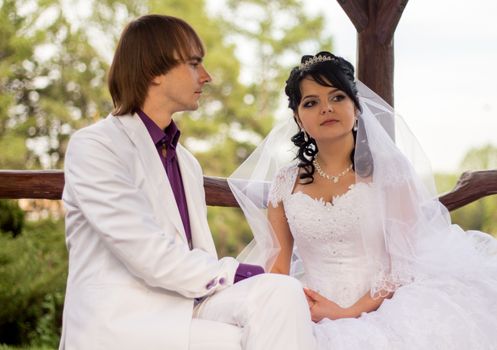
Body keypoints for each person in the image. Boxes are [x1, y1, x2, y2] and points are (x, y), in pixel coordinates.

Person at [59, 14, 316, 350]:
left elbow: (197, 254)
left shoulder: (187, 163)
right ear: (154, 71)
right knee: (237, 339)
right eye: (195, 64)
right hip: (123, 322)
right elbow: (147, 253)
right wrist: (243, 272)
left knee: (284, 292)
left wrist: (264, 280)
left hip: (187, 307)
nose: (206, 77)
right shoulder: (96, 146)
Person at [229, 51, 497, 349]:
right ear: (298, 119)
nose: (326, 108)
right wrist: (291, 307)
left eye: (337, 97)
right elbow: (278, 269)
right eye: (311, 102)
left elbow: (403, 267)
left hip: (387, 308)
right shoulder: (285, 182)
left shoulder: (391, 173)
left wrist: (348, 312)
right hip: (311, 311)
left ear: (356, 107)